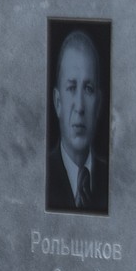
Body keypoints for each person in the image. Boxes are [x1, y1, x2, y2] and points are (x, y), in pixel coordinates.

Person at [47, 30, 108, 214]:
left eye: (88, 89)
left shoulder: (113, 180)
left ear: (98, 104)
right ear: (58, 102)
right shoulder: (41, 175)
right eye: (71, 88)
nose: (80, 107)